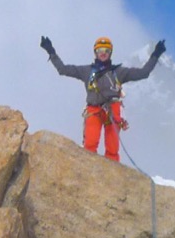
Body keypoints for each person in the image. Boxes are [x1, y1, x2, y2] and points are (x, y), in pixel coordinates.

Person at [41, 33, 167, 163]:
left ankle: (111, 178)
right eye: (100, 50)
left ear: (110, 52)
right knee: (90, 144)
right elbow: (63, 69)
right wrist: (51, 51)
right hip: (94, 110)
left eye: (106, 51)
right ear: (95, 52)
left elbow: (143, 73)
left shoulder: (119, 72)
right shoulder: (86, 71)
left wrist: (155, 55)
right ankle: (88, 173)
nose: (103, 53)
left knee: (112, 149)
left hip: (112, 110)